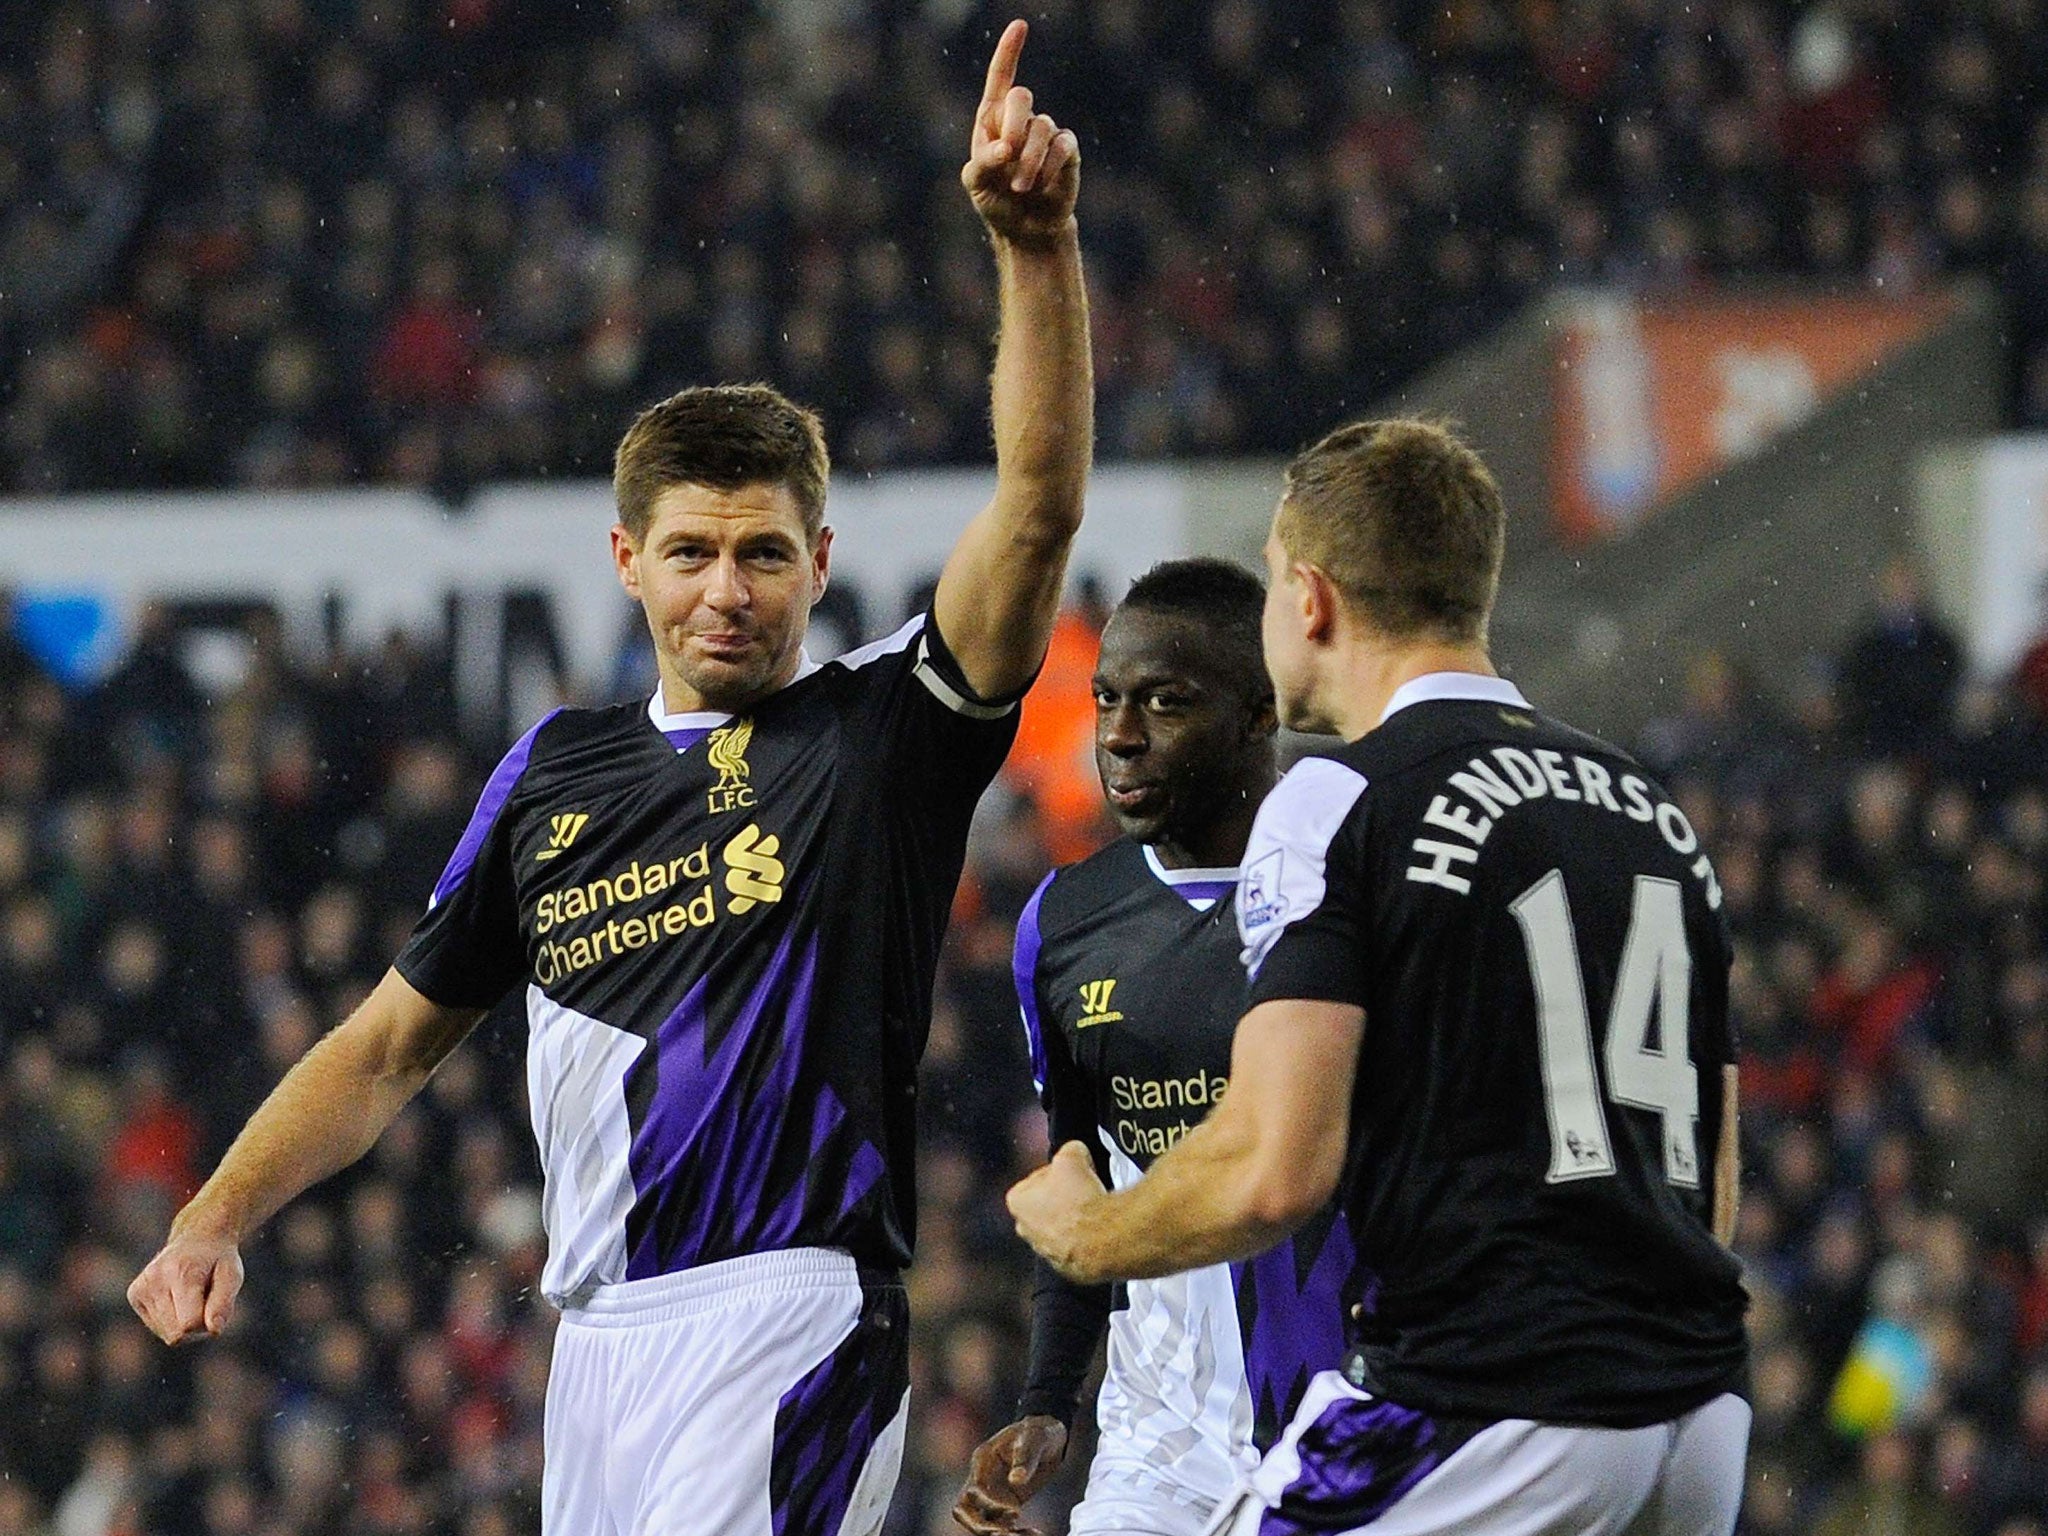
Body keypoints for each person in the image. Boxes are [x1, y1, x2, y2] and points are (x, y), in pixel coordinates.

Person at [128, 21, 1090, 1536]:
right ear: (629, 563)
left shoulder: (876, 741)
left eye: (767, 553)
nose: (731, 590)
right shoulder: (553, 773)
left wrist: (1033, 252)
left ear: (821, 565)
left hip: (787, 1315)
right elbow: (387, 1047)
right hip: (596, 1354)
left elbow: (1034, 512)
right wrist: (215, 1214)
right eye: (695, 553)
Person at [1008, 419, 1751, 1535]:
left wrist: (1085, 1234)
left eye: (1265, 583)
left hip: (1482, 1402)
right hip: (1690, 1418)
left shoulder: (1340, 799)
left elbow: (1274, 1169)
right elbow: (1713, 1183)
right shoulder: (1643, 810)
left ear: (1307, 600)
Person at [955, 560, 1355, 1536]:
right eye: (1106, 702)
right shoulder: (1063, 921)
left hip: (1346, 1430)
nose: (1120, 738)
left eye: (1164, 704)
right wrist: (1048, 1401)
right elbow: (1079, 1186)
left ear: (1259, 712)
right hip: (1157, 1455)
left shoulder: (1352, 887)